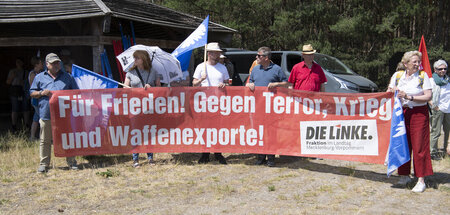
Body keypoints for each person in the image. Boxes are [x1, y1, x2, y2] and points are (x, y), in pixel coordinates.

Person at [386, 50, 433, 193]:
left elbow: (428, 96)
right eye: (415, 62)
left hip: (419, 113)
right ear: (406, 64)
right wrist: (392, 90)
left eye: (419, 62)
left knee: (419, 145)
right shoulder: (397, 75)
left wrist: (409, 96)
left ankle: (421, 179)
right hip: (402, 113)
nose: (418, 64)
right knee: (402, 143)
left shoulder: (422, 76)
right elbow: (388, 91)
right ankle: (404, 175)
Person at [30, 53, 79, 173]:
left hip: (64, 114)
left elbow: (76, 93)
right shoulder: (39, 77)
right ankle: (44, 164)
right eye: (54, 63)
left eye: (58, 62)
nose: (57, 65)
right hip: (46, 114)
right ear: (47, 64)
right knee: (45, 140)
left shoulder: (68, 77)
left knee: (67, 138)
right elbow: (32, 93)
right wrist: (42, 93)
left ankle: (72, 162)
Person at [246, 47, 290, 167]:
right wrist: (250, 84)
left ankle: (271, 157)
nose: (257, 57)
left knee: (271, 132)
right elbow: (250, 82)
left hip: (271, 108)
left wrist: (277, 84)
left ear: (266, 57)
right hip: (258, 107)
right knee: (259, 132)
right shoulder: (255, 69)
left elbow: (286, 84)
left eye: (259, 55)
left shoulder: (277, 69)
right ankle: (260, 157)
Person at [192, 42, 229, 165]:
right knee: (205, 128)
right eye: (216, 52)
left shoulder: (222, 68)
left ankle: (218, 153)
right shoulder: (200, 67)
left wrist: (225, 85)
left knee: (218, 128)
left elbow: (228, 83)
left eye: (219, 53)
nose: (218, 55)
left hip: (218, 103)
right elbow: (194, 84)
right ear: (209, 53)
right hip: (204, 103)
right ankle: (205, 153)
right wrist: (201, 79)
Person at [124, 50, 161, 168]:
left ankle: (150, 157)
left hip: (149, 107)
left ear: (143, 59)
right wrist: (131, 89)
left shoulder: (153, 72)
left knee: (149, 132)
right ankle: (135, 159)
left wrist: (152, 88)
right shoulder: (130, 72)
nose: (135, 60)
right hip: (135, 107)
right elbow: (125, 88)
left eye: (137, 58)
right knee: (135, 132)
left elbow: (160, 89)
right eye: (134, 58)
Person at [429, 60, 449, 160]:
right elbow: (428, 96)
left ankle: (446, 150)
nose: (443, 70)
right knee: (436, 132)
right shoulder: (431, 80)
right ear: (435, 70)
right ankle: (433, 152)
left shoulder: (448, 80)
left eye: (445, 68)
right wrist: (433, 105)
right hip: (438, 109)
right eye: (440, 69)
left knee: (447, 131)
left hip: (448, 109)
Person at [6, 58, 27, 132]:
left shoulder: (25, 72)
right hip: (14, 91)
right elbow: (8, 82)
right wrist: (12, 77)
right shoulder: (12, 71)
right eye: (17, 62)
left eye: (20, 61)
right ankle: (14, 125)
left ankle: (26, 124)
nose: (18, 63)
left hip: (24, 91)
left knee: (26, 108)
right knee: (15, 108)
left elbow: (28, 83)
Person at [28, 57, 44, 141]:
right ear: (36, 64)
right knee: (42, 117)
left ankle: (32, 136)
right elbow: (32, 88)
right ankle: (43, 137)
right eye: (41, 63)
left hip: (40, 98)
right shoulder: (33, 74)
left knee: (36, 118)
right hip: (36, 98)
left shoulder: (40, 73)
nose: (42, 64)